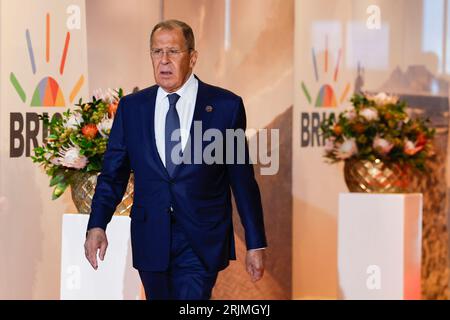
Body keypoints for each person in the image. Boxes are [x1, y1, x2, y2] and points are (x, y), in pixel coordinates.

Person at [84, 19, 267, 300]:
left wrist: (255, 242)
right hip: (151, 236)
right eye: (157, 52)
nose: (164, 60)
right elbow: (113, 174)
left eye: (173, 51)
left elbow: (242, 181)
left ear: (192, 58)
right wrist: (97, 224)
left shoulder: (224, 107)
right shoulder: (133, 108)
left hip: (200, 239)